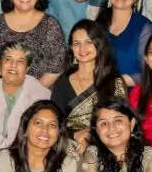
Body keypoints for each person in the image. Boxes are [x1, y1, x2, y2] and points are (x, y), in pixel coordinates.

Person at [50, 20, 127, 148]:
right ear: (71, 48)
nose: (82, 49)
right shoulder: (62, 83)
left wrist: (92, 137)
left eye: (88, 42)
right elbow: (54, 122)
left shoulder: (113, 81)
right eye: (76, 43)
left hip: (109, 144)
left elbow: (122, 122)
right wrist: (75, 135)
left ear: (99, 45)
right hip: (70, 145)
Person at [0, 41, 52, 153]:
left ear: (27, 69)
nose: (14, 65)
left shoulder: (42, 97)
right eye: (8, 59)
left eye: (20, 61)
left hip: (24, 156)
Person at [96, 0, 152, 87]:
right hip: (99, 90)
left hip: (130, 95)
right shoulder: (98, 24)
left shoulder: (144, 27)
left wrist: (112, 82)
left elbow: (147, 73)